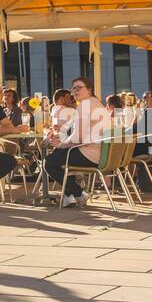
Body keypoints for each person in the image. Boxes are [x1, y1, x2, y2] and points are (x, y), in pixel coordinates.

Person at [44, 77, 107, 207]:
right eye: (74, 88)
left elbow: (78, 138)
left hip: (90, 154)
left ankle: (78, 193)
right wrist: (64, 137)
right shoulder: (96, 103)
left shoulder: (85, 105)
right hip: (101, 153)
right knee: (60, 154)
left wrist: (61, 144)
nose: (76, 90)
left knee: (49, 162)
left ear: (89, 90)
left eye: (80, 87)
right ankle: (69, 196)